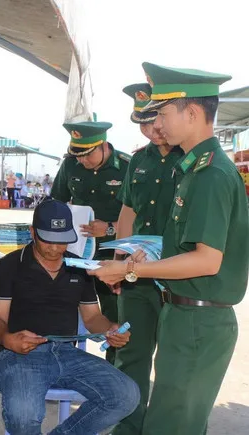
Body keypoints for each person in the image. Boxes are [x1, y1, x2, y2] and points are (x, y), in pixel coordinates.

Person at [90, 63, 249, 434]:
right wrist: (142, 256)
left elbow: (207, 260)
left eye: (162, 114)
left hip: (198, 317)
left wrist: (129, 269)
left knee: (170, 423)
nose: (157, 124)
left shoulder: (210, 174)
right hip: (183, 312)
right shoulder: (194, 170)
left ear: (191, 113)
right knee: (172, 419)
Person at [0, 198, 140, 435]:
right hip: (18, 356)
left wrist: (109, 329)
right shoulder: (9, 265)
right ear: (33, 232)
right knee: (24, 415)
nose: (55, 248)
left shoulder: (78, 267)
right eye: (48, 240)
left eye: (62, 241)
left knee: (125, 395)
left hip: (66, 353)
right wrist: (8, 339)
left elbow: (92, 318)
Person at [111, 83, 183, 435]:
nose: (151, 130)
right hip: (136, 275)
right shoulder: (139, 160)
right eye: (142, 123)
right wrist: (119, 259)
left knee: (176, 365)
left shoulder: (191, 159)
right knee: (131, 356)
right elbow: (128, 211)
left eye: (155, 120)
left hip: (178, 277)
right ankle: (128, 427)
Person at [51, 120, 130, 363]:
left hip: (113, 257)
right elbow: (55, 203)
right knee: (63, 315)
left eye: (87, 155)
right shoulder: (70, 165)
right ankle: (63, 365)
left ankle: (114, 369)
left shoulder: (127, 167)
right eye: (78, 155)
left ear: (103, 145)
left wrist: (109, 228)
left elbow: (141, 216)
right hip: (76, 256)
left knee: (114, 319)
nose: (82, 161)